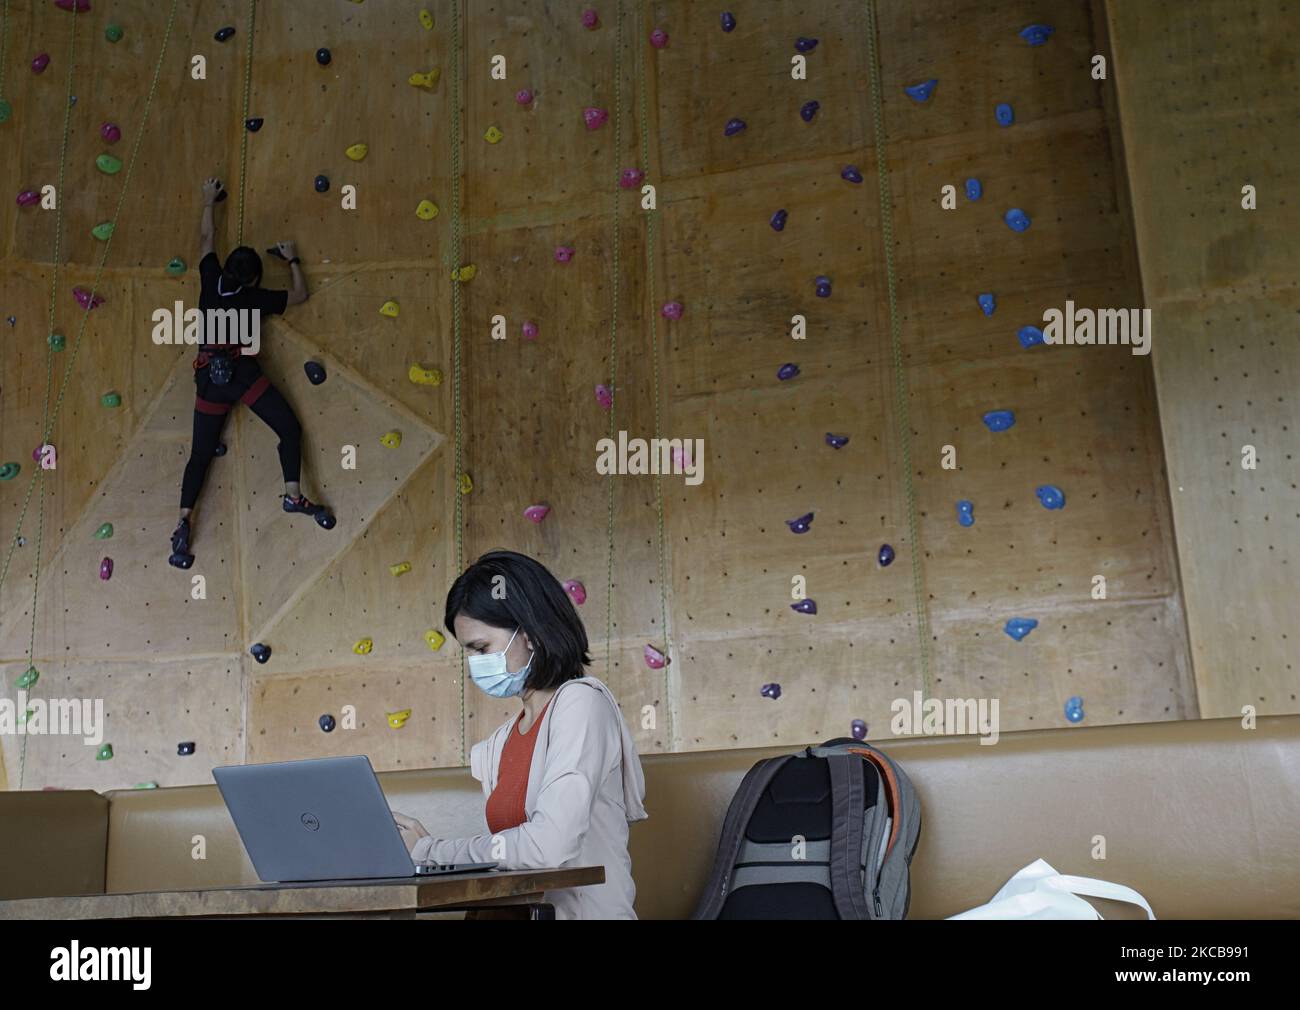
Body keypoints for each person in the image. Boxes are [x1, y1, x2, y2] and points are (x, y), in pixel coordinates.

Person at [393, 550, 648, 919]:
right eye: (469, 653)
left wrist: (432, 851)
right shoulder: (501, 741)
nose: (475, 665)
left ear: (528, 633)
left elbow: (548, 846)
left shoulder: (581, 705)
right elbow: (509, 855)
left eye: (482, 648)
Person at [169, 175, 333, 568]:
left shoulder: (210, 278)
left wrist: (209, 199)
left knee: (200, 456)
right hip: (242, 376)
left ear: (226, 268)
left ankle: (182, 521)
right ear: (255, 279)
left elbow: (206, 241)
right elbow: (300, 295)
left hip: (210, 379)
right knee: (288, 428)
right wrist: (292, 258)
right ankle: (293, 494)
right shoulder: (256, 297)